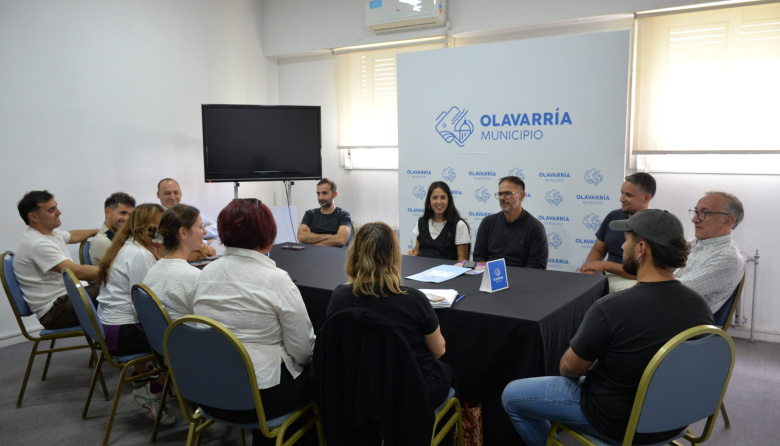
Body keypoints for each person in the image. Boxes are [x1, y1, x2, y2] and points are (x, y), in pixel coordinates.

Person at [502, 209, 713, 446]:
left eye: (627, 240)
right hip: (675, 421)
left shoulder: (611, 308)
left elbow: (570, 370)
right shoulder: (700, 306)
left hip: (616, 421)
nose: (622, 247)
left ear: (641, 249)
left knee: (511, 396)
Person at [193, 198, 315, 446]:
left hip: (208, 392)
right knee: (323, 375)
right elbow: (303, 350)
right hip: (259, 402)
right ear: (268, 234)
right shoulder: (276, 279)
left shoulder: (205, 274)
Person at [329, 222, 454, 411]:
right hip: (408, 398)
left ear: (355, 255)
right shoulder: (413, 300)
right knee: (448, 372)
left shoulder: (339, 298)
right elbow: (439, 351)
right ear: (393, 256)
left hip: (358, 395)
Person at [95, 203, 174, 426]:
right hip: (123, 333)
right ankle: (153, 392)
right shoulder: (140, 254)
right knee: (183, 341)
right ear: (149, 228)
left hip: (113, 328)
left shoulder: (128, 246)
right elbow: (148, 306)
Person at [13, 190, 100, 329]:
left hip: (67, 300)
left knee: (116, 287)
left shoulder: (51, 234)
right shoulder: (36, 244)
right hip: (54, 312)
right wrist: (116, 270)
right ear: (34, 217)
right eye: (51, 210)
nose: (59, 212)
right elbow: (77, 272)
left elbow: (73, 235)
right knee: (116, 287)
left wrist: (96, 231)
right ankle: (121, 342)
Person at [580, 172, 656, 292]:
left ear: (646, 198)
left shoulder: (657, 224)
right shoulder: (613, 216)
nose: (621, 199)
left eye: (629, 195)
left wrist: (606, 265)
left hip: (635, 283)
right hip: (608, 278)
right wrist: (590, 268)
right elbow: (598, 249)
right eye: (622, 193)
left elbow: (646, 272)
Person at [676, 191, 746, 313]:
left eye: (704, 213)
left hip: (680, 323)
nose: (694, 219)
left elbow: (672, 291)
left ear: (727, 221)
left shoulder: (728, 258)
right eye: (696, 211)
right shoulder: (694, 243)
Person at [143, 204, 205, 321]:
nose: (205, 231)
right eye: (201, 227)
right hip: (188, 338)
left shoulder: (153, 271)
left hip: (164, 338)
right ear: (183, 233)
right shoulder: (194, 277)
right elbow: (209, 321)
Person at [472, 175, 548, 268]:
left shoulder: (535, 228)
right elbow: (479, 256)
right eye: (500, 194)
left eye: (507, 193)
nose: (502, 198)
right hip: (491, 276)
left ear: (522, 195)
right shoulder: (488, 222)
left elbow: (536, 266)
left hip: (521, 278)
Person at [407, 181, 471, 261]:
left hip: (450, 272)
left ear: (449, 200)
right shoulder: (421, 222)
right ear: (429, 200)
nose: (439, 202)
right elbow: (417, 252)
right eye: (435, 198)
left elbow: (462, 261)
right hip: (422, 271)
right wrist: (413, 254)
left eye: (443, 197)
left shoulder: (459, 225)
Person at [156, 178, 217, 259]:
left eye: (176, 192)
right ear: (158, 195)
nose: (172, 197)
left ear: (181, 193)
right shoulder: (156, 216)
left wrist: (200, 233)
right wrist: (204, 242)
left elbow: (217, 228)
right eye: (167, 193)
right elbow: (164, 243)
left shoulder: (190, 213)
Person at [297, 178, 352, 247]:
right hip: (313, 255)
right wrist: (332, 236)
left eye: (324, 193)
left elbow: (341, 239)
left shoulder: (343, 215)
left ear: (334, 194)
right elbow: (301, 236)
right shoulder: (310, 214)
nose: (320, 198)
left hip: (335, 255)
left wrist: (313, 242)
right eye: (318, 194)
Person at [90, 192, 136, 264]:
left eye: (130, 215)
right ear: (108, 212)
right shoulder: (102, 241)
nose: (127, 218)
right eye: (123, 213)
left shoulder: (126, 236)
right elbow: (128, 268)